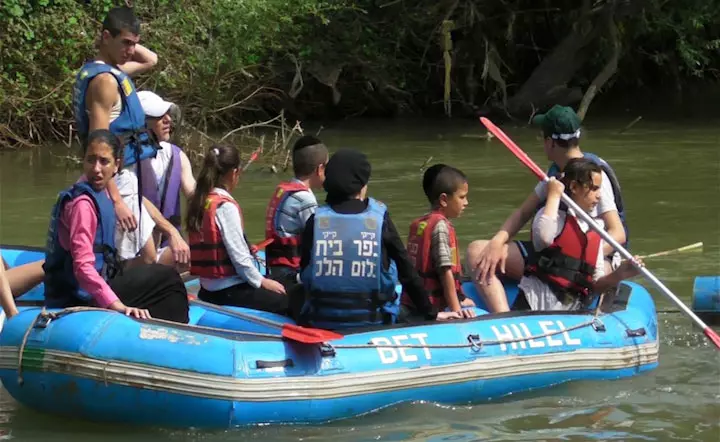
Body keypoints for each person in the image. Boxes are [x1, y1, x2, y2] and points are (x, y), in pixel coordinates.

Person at [466, 104, 627, 312]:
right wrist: (498, 241)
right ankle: (504, 318)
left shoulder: (594, 176)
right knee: (477, 252)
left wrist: (577, 258)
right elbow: (523, 212)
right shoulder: (554, 175)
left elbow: (618, 233)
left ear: (550, 142)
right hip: (552, 250)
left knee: (599, 272)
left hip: (590, 258)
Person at [296, 149, 463, 329]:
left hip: (321, 320)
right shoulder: (378, 218)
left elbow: (305, 271)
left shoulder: (316, 220)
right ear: (362, 185)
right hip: (372, 321)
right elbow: (406, 270)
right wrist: (431, 313)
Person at [43, 130, 189, 322]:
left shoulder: (100, 193)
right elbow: (82, 267)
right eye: (90, 160)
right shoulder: (83, 206)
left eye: (104, 161)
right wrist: (116, 304)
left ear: (116, 166)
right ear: (83, 161)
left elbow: (141, 202)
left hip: (92, 287)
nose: (96, 169)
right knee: (168, 279)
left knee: (159, 275)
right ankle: (177, 336)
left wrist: (169, 229)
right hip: (78, 298)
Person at [73, 5, 158, 234]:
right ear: (106, 37)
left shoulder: (112, 72)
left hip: (124, 176)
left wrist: (126, 36)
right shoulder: (104, 82)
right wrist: (117, 201)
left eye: (134, 43)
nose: (131, 51)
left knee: (147, 253)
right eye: (126, 43)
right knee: (129, 257)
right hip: (114, 179)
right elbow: (97, 145)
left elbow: (151, 59)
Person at [515, 158, 642, 311]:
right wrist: (554, 195)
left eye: (599, 189)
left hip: (568, 312)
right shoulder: (553, 216)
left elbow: (596, 284)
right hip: (534, 304)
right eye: (593, 189)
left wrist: (620, 274)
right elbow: (543, 237)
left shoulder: (595, 230)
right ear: (574, 187)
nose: (599, 195)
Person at [186, 145, 288, 314]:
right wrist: (262, 282)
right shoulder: (225, 206)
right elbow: (239, 258)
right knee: (288, 298)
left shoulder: (200, 200)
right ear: (234, 173)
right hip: (227, 292)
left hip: (207, 289)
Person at [401, 164, 476, 317]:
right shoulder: (440, 227)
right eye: (462, 197)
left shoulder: (422, 224)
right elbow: (445, 271)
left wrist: (460, 298)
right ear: (443, 200)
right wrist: (456, 311)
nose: (466, 202)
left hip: (413, 304)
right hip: (427, 310)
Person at [137, 90, 196, 259]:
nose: (168, 119)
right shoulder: (125, 163)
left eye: (167, 114)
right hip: (138, 251)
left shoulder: (176, 155)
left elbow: (193, 193)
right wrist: (171, 232)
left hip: (168, 246)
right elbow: (134, 198)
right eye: (159, 116)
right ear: (141, 122)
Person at [264, 135, 328, 284]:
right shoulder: (305, 199)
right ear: (319, 169)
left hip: (275, 269)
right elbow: (320, 241)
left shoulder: (284, 191)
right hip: (290, 275)